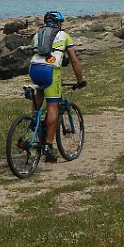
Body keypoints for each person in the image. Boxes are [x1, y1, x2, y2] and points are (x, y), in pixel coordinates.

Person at [28, 11, 85, 162]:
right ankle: (48, 145)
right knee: (53, 107)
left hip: (34, 70)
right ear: (59, 23)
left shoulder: (36, 35)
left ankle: (35, 121)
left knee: (39, 94)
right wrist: (80, 80)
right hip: (51, 72)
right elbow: (74, 60)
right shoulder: (64, 35)